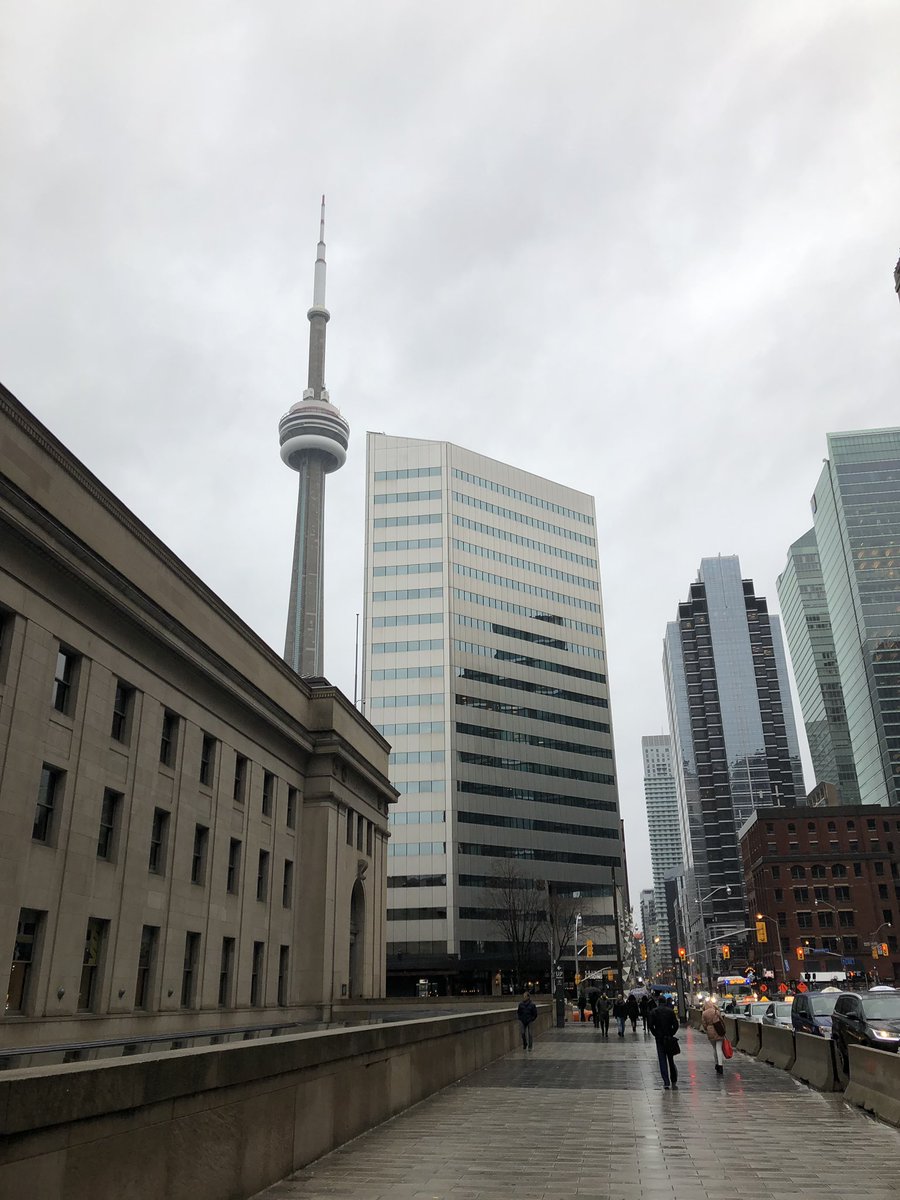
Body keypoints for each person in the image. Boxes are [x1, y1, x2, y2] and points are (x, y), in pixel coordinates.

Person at [647, 996, 679, 1089]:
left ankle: (666, 1081)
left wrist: (655, 1034)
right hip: (669, 1037)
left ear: (658, 1002)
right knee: (671, 1059)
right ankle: (673, 1078)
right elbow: (676, 1025)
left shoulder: (654, 1012)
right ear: (665, 1002)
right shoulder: (670, 1011)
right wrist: (671, 1033)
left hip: (659, 1038)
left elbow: (650, 1025)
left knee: (662, 1059)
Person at [701, 998, 727, 1073]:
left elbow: (704, 1024)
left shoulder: (704, 1013)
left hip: (710, 1031)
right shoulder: (716, 1011)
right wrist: (724, 1029)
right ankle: (720, 1065)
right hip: (718, 1031)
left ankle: (716, 1064)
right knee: (719, 1048)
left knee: (714, 1048)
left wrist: (707, 1029)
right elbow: (722, 1020)